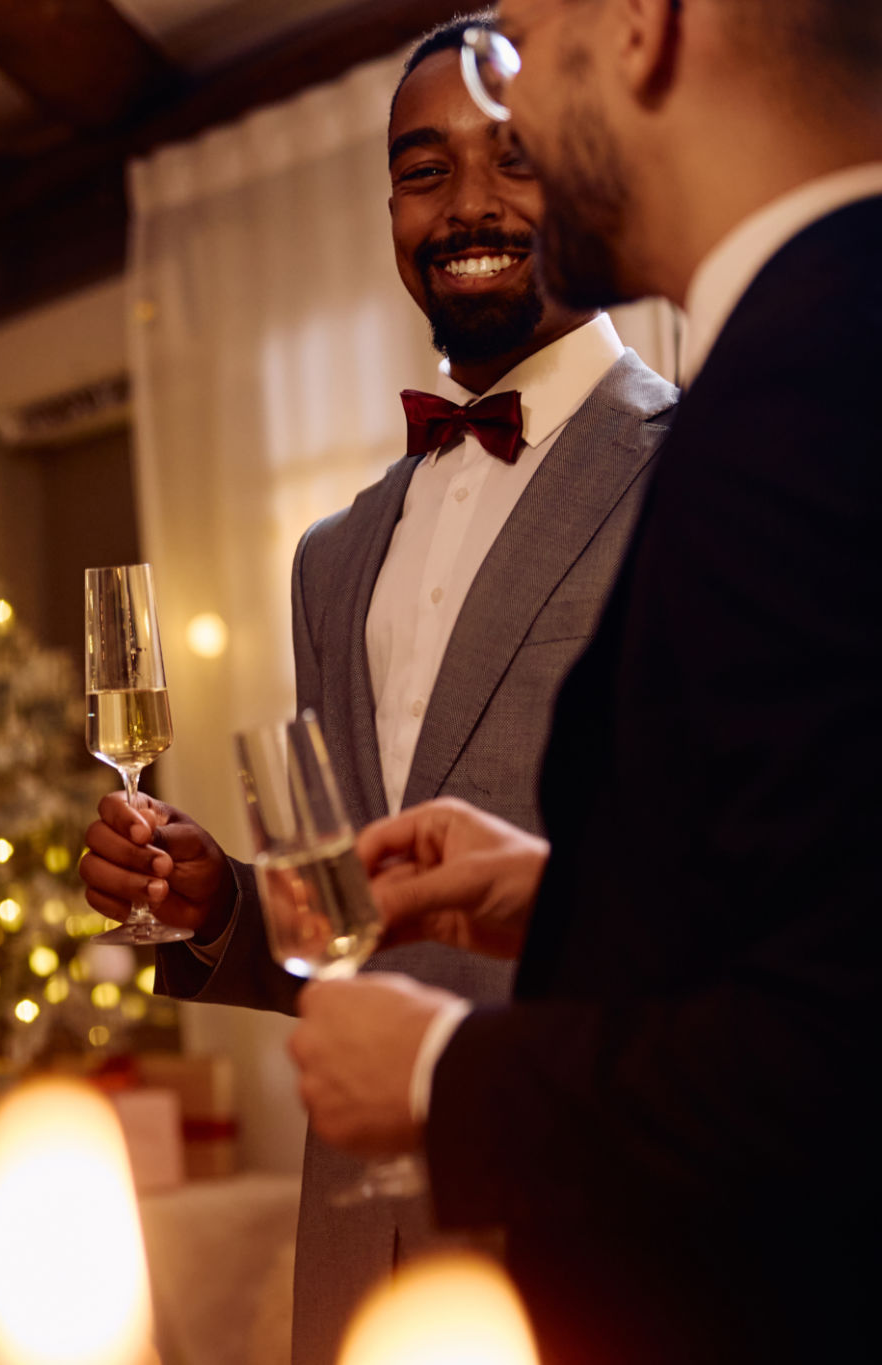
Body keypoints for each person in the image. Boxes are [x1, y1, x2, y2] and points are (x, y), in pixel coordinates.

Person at [285, 1, 882, 1360]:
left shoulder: (793, 402)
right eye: (426, 163)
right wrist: (564, 894)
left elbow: (840, 1047)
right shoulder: (801, 360)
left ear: (635, 28)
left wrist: (443, 1073)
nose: (505, 151)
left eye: (518, 49)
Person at [77, 18, 676, 1362]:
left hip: (595, 1221)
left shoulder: (696, 471)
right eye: (422, 171)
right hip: (360, 1237)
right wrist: (219, 905)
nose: (466, 204)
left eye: (513, 159)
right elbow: (347, 927)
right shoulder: (333, 556)